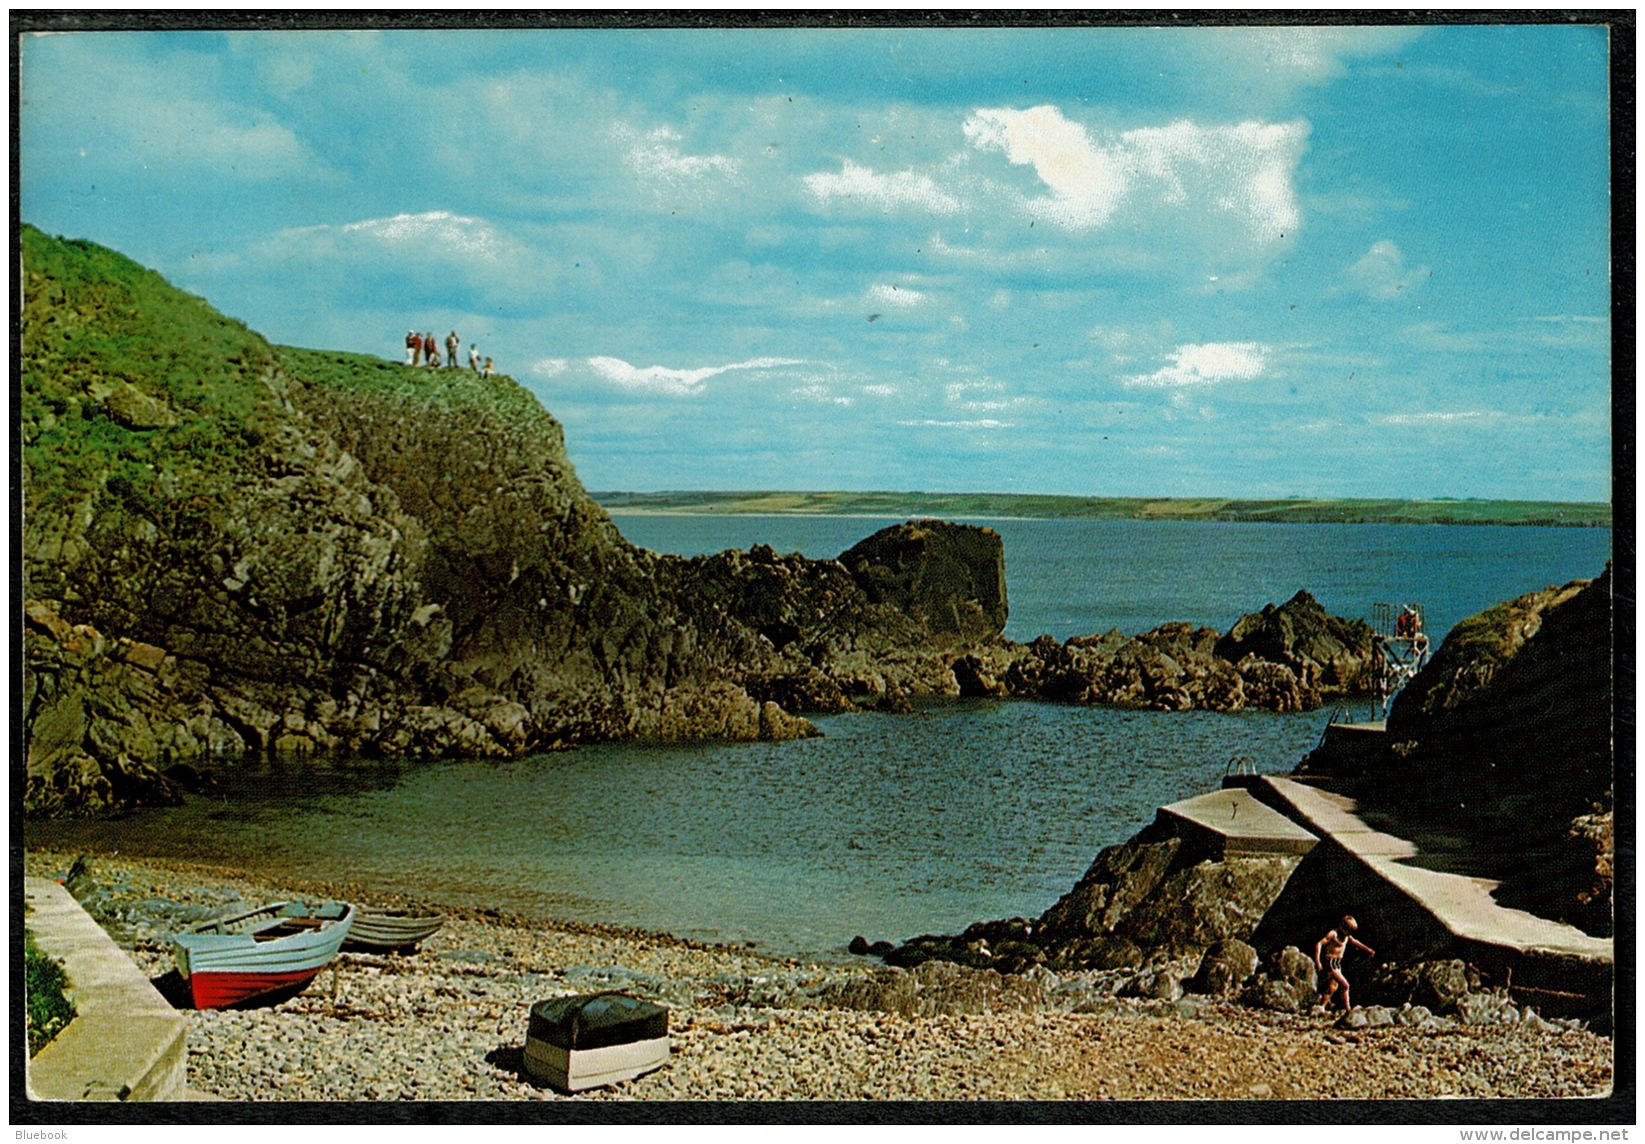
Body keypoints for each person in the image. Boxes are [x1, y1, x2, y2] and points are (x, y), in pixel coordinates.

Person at [1314, 915, 1375, 1011]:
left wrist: (1368, 950)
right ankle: (1348, 1009)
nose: (1348, 932)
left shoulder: (1346, 936)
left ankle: (1322, 1006)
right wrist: (1318, 961)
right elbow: (1319, 944)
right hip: (1331, 962)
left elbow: (1355, 942)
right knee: (1345, 985)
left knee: (1333, 987)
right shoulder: (1334, 934)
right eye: (1348, 929)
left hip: (1337, 963)